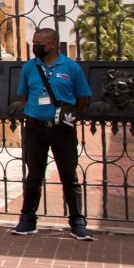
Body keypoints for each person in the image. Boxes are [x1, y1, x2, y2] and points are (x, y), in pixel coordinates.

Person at [12, 27, 93, 240]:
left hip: (62, 130)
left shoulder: (71, 67)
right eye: (34, 41)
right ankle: (27, 220)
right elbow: (24, 96)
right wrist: (37, 113)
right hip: (35, 128)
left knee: (69, 176)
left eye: (40, 43)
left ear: (54, 44)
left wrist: (67, 116)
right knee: (33, 176)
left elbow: (83, 98)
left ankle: (77, 221)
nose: (35, 46)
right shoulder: (30, 67)